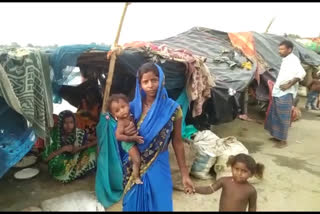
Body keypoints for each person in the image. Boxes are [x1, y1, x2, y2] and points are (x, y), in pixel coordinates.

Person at [118, 62, 195, 211]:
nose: (151, 85)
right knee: (133, 202)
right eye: (145, 82)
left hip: (159, 163)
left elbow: (177, 142)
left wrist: (185, 175)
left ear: (162, 80)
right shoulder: (131, 108)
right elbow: (119, 137)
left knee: (160, 203)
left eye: (154, 80)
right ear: (139, 85)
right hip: (134, 164)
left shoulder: (173, 109)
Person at [264, 40, 306, 148]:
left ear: (289, 49)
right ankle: (276, 136)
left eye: (282, 49)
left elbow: (302, 73)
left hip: (285, 93)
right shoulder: (286, 59)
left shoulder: (293, 59)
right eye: (279, 49)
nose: (279, 51)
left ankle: (283, 140)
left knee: (283, 116)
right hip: (278, 92)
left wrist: (289, 84)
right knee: (275, 115)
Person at [195, 153, 265, 212]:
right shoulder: (224, 181)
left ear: (251, 174)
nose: (239, 173)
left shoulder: (251, 190)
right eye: (236, 169)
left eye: (244, 171)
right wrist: (194, 189)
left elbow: (252, 207)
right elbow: (209, 189)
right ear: (232, 167)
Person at [42, 110, 97, 183]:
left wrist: (80, 148)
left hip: (76, 158)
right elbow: (46, 159)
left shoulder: (78, 133)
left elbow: (97, 140)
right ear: (61, 123)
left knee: (94, 150)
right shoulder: (54, 134)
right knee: (57, 164)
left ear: (74, 123)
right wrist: (63, 149)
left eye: (71, 122)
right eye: (65, 123)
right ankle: (73, 173)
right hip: (61, 161)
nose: (68, 126)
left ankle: (77, 172)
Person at [106, 93, 144, 184]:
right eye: (117, 110)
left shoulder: (130, 115)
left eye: (123, 107)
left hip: (132, 139)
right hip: (128, 143)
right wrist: (131, 138)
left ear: (128, 105)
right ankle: (136, 177)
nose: (122, 111)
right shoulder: (121, 122)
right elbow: (118, 136)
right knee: (137, 160)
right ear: (114, 114)